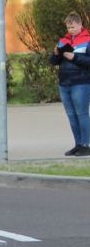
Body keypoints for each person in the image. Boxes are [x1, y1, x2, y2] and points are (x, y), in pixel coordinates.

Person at [48, 12, 90, 156]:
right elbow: (53, 62)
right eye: (68, 27)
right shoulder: (63, 41)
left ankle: (87, 144)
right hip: (64, 83)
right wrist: (55, 54)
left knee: (82, 114)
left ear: (80, 25)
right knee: (71, 115)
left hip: (81, 83)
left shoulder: (88, 40)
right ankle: (78, 144)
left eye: (72, 27)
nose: (70, 30)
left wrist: (75, 57)